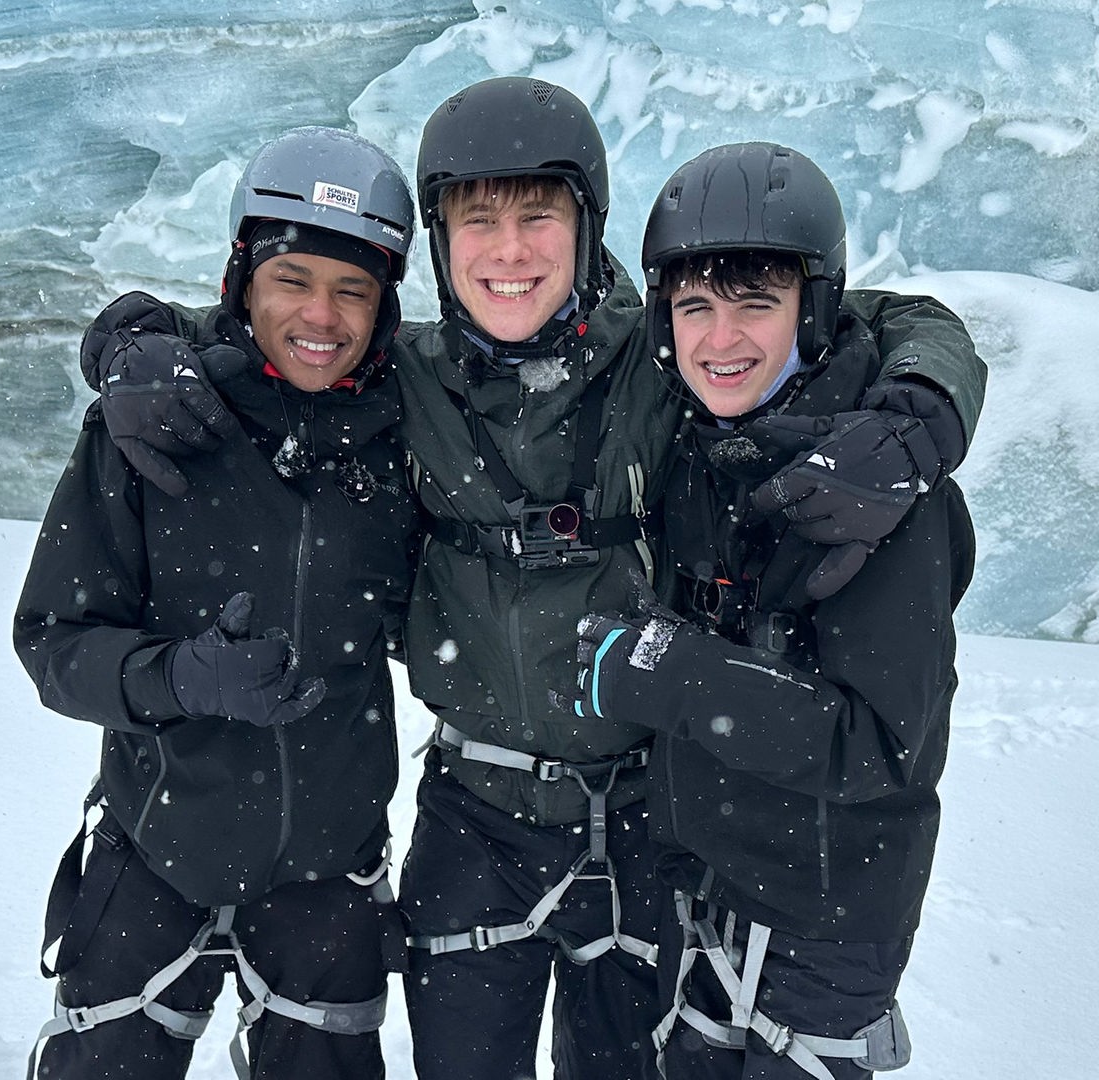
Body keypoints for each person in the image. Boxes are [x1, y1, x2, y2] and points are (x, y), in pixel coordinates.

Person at [75, 78, 986, 1079]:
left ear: (587, 225)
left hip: (649, 823)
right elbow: (262, 333)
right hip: (475, 818)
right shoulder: (399, 377)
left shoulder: (674, 357)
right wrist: (127, 335)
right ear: (437, 241)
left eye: (537, 216)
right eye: (478, 221)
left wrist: (925, 407)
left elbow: (864, 316)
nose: (509, 253)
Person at [13, 126, 422, 1080]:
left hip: (330, 861)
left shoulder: (408, 425)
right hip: (157, 837)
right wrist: (180, 679)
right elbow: (53, 644)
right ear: (242, 275)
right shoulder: (156, 417)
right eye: (294, 280)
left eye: (353, 289)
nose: (320, 315)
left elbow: (543, 338)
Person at [567, 141, 973, 1079]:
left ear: (813, 310)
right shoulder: (708, 438)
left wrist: (677, 676)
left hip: (827, 924)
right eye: (696, 307)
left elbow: (882, 747)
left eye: (757, 302)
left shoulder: (881, 486)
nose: (723, 339)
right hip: (714, 885)